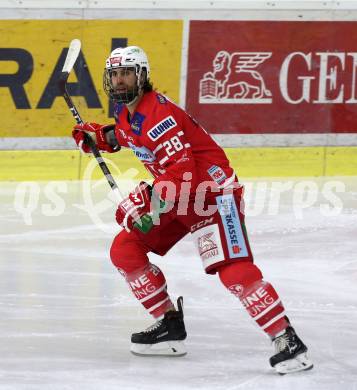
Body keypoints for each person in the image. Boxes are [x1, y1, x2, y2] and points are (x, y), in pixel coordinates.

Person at [72, 46, 313, 374]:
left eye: (127, 73)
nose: (120, 80)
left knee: (233, 271)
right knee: (125, 249)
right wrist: (100, 137)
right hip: (180, 196)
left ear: (142, 76)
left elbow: (183, 173)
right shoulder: (130, 111)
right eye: (115, 74)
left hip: (214, 195)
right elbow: (129, 134)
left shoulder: (159, 115)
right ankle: (169, 325)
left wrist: (144, 201)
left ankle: (287, 340)